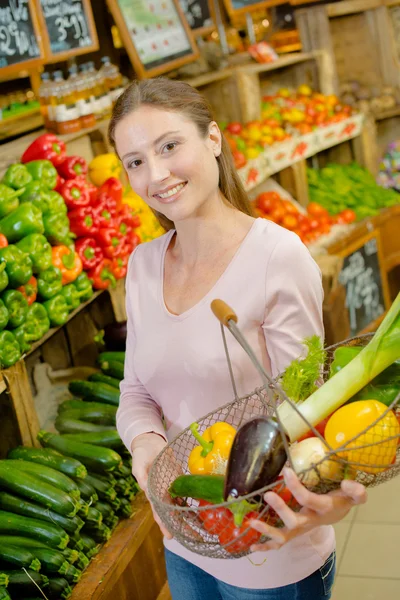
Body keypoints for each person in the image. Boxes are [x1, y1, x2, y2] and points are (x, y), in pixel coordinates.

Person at [109, 78, 367, 600]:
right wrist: (148, 446)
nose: (155, 175)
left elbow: (304, 409)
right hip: (185, 540)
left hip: (271, 551)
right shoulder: (142, 266)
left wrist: (330, 493)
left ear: (213, 139)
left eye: (169, 146)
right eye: (134, 161)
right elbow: (135, 390)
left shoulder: (277, 257)